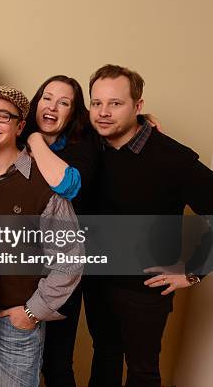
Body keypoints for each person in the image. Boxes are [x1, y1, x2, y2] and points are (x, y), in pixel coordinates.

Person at [84, 64, 213, 387]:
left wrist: (194, 270)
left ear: (138, 107)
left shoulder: (173, 158)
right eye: (97, 103)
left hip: (145, 289)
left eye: (115, 103)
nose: (103, 112)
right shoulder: (87, 148)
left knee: (142, 371)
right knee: (105, 357)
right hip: (97, 281)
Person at [0, 86, 82, 387]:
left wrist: (32, 312)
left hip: (16, 322)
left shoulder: (42, 183)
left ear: (20, 126)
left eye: (2, 116)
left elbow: (70, 256)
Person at [21, 75, 99, 386]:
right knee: (19, 356)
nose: (52, 106)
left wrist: (37, 140)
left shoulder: (84, 147)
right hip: (18, 263)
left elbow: (66, 185)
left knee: (55, 363)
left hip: (62, 268)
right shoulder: (14, 136)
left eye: (63, 102)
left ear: (73, 113)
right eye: (47, 97)